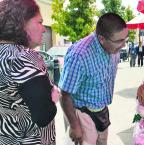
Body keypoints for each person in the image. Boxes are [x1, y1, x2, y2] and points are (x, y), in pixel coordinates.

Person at [58, 13, 128, 145]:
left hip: (102, 110)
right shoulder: (79, 55)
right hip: (81, 113)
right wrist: (74, 125)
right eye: (119, 41)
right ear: (101, 39)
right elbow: (64, 94)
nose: (123, 45)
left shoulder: (113, 48)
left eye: (126, 39)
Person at [0, 0, 58, 144]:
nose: (44, 29)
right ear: (22, 22)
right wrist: (54, 98)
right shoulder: (24, 57)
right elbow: (44, 115)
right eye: (39, 22)